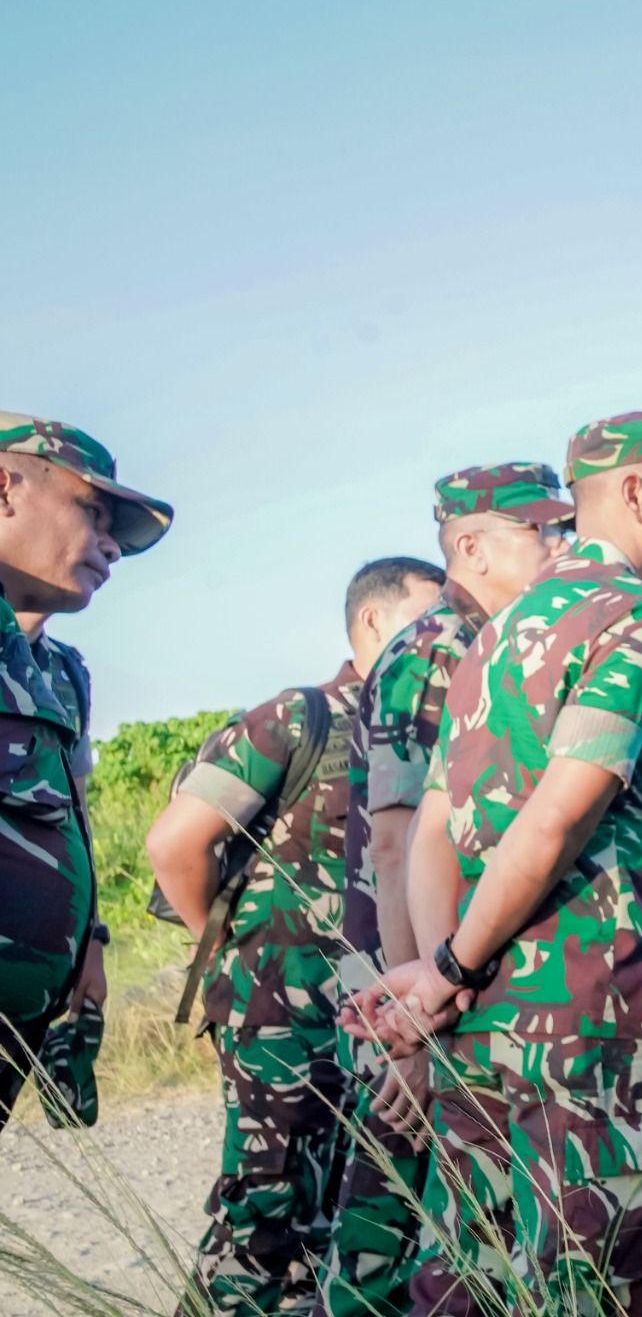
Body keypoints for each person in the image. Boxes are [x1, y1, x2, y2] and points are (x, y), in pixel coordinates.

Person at [342, 411, 642, 1317]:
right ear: (634, 490)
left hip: (484, 1024)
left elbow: (440, 830)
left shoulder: (489, 635)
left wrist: (447, 986)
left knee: (467, 1276)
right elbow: (558, 818)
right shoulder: (636, 615)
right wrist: (448, 967)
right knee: (587, 1280)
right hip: (587, 1013)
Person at [146, 556, 445, 1315]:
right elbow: (176, 845)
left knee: (348, 1229)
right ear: (375, 621)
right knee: (264, 1225)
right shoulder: (301, 717)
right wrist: (228, 962)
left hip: (380, 1026)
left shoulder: (426, 730)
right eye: (430, 613)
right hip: (284, 1020)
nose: (449, 634)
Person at [321, 463, 572, 1317]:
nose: (562, 543)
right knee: (393, 1254)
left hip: (441, 994)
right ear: (471, 547)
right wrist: (411, 1030)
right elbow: (399, 847)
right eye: (542, 529)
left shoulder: (496, 642)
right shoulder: (440, 650)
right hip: (418, 1005)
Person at [0, 413, 171, 1134]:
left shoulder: (60, 671)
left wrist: (88, 944)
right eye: (91, 511)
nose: (110, 547)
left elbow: (68, 813)